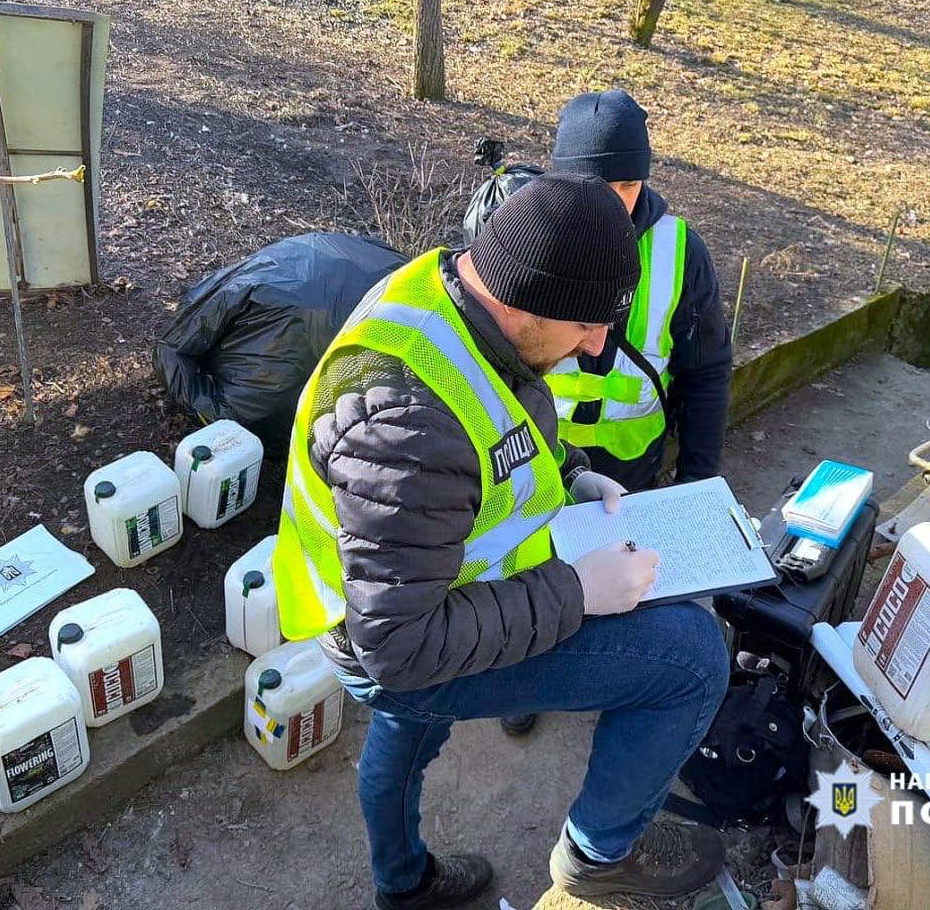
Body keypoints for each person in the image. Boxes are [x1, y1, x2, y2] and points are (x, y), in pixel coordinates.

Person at [271, 173, 731, 909]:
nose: (597, 344)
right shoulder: (406, 425)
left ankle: (404, 884)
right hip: (397, 648)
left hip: (424, 594)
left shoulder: (454, 301)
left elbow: (499, 419)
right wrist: (579, 591)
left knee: (409, 738)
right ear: (529, 299)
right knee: (691, 656)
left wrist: (571, 472)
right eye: (587, 324)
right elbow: (403, 648)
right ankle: (599, 857)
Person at [501, 88, 734, 738]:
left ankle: (618, 671)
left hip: (634, 466)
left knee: (629, 576)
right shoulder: (527, 240)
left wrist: (700, 478)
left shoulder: (681, 250)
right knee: (536, 572)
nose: (614, 201)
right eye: (595, 184)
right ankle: (529, 675)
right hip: (537, 463)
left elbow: (707, 369)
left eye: (628, 184)